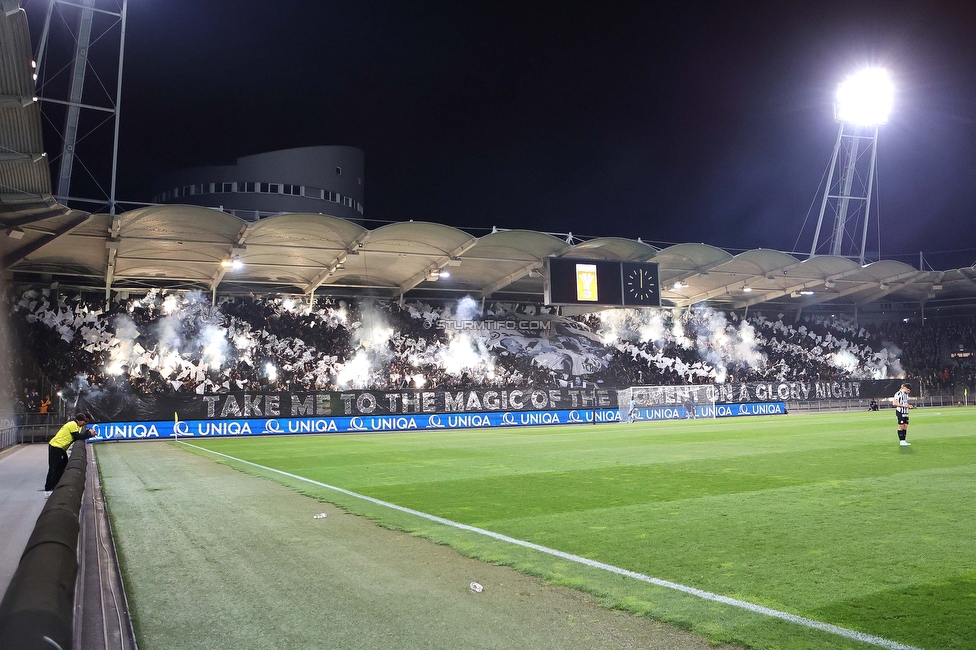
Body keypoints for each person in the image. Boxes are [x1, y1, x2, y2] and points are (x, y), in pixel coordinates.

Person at [44, 412, 94, 495]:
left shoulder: (74, 424)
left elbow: (76, 437)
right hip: (57, 447)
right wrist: (89, 434)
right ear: (81, 421)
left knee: (62, 465)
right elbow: (77, 437)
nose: (84, 424)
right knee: (55, 468)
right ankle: (50, 489)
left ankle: (53, 487)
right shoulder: (73, 424)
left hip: (59, 447)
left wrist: (88, 433)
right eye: (84, 422)